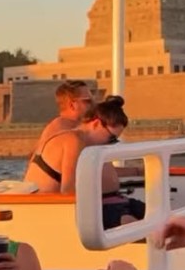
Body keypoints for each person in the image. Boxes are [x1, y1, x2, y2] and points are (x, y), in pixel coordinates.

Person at [24, 96, 140, 226]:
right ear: (96, 124)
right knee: (134, 224)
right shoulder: (73, 141)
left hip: (102, 202)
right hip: (50, 210)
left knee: (156, 215)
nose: (110, 144)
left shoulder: (85, 144)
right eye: (111, 138)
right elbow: (69, 191)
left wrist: (139, 170)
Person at [24, 80, 94, 180]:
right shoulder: (65, 131)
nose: (93, 104)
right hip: (48, 194)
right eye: (88, 101)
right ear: (72, 105)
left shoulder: (61, 126)